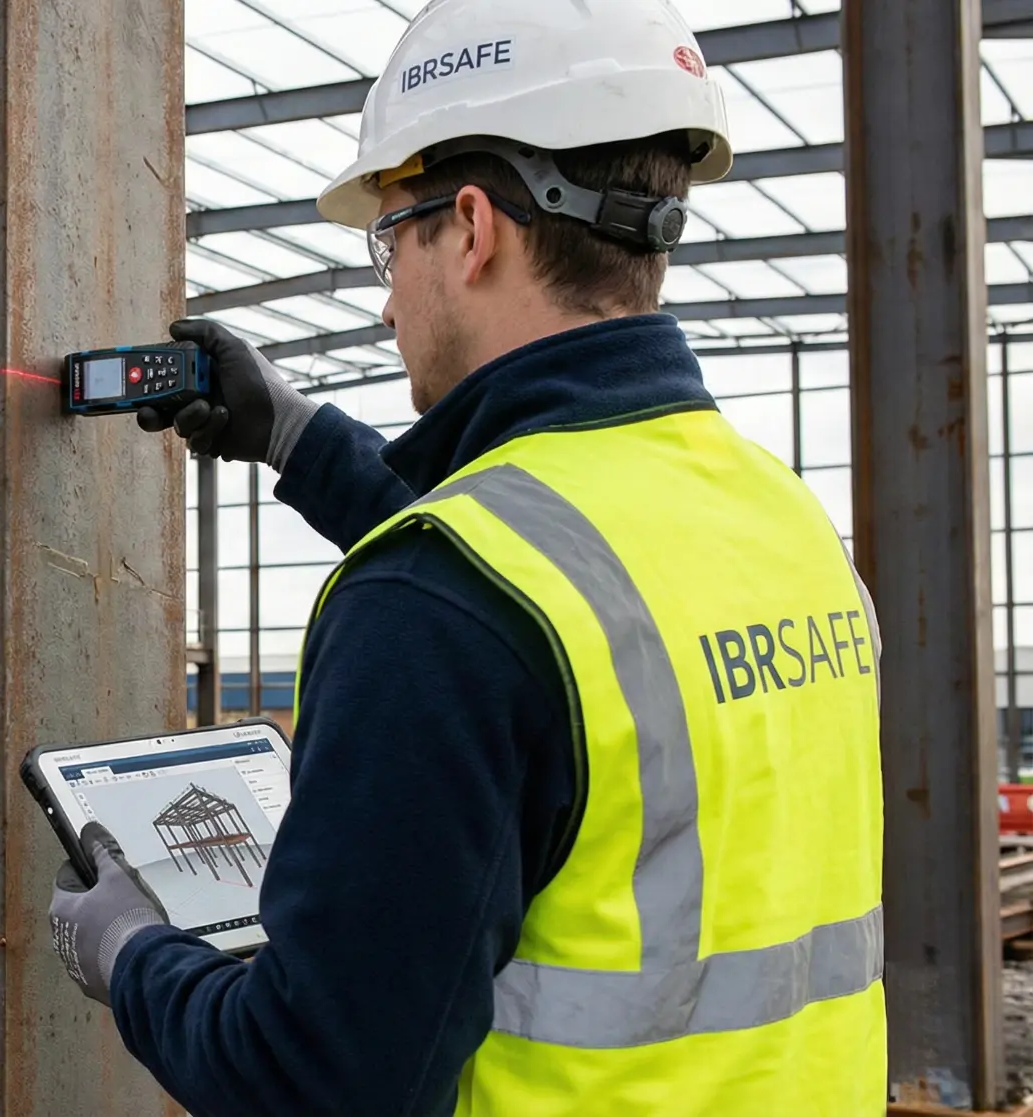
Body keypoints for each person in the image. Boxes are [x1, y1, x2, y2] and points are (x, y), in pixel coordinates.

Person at [47, 1, 884, 1114]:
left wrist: (127, 951)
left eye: (390, 239)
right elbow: (540, 599)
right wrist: (294, 438)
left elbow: (312, 1081)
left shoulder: (428, 611)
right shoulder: (777, 517)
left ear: (474, 226)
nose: (386, 293)